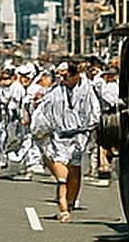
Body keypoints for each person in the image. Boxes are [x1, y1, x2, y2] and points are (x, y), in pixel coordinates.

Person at [30, 65, 94, 225]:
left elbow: (94, 113)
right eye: (60, 76)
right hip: (58, 138)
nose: (63, 79)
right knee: (62, 177)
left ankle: (69, 204)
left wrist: (89, 129)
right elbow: (43, 114)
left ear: (76, 75)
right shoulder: (55, 93)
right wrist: (39, 130)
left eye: (66, 76)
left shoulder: (87, 91)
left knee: (74, 172)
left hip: (78, 138)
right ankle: (64, 209)